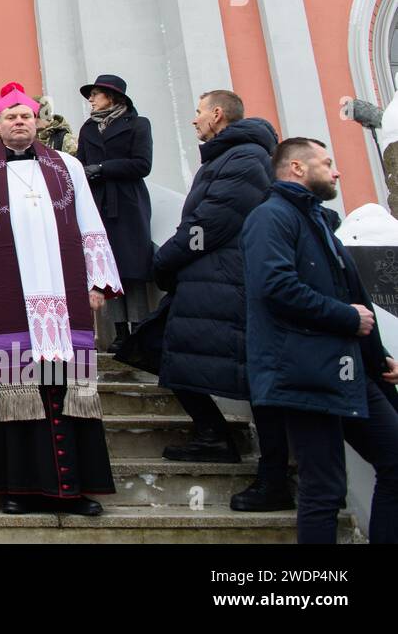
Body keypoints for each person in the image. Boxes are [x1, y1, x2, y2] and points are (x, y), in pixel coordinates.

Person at [0, 81, 121, 516]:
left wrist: (97, 281)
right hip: (9, 296)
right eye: (10, 117)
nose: (19, 122)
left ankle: (75, 489)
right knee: (16, 391)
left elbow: (89, 221)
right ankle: (19, 488)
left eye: (26, 116)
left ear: (38, 121)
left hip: (65, 294)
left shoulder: (67, 166)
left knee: (70, 388)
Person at [242, 138, 398, 544]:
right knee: (324, 489)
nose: (337, 170)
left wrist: (378, 359)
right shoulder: (271, 217)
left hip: (345, 370)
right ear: (296, 167)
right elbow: (274, 286)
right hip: (303, 374)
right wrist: (346, 317)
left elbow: (349, 294)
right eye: (327, 163)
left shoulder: (319, 221)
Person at [152, 91, 291, 511]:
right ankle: (213, 435)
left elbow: (210, 222)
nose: (194, 121)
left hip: (226, 281)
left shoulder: (244, 157)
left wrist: (164, 259)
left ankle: (273, 477)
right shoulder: (228, 156)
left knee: (256, 381)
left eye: (198, 112)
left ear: (217, 114)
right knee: (165, 351)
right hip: (209, 281)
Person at [76, 74, 152, 351]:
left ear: (112, 96)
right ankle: (119, 332)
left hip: (129, 203)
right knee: (107, 267)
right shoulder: (88, 129)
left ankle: (140, 330)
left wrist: (103, 169)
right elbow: (81, 162)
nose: (91, 100)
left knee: (134, 268)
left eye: (95, 94)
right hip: (98, 203)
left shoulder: (138, 124)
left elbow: (142, 164)